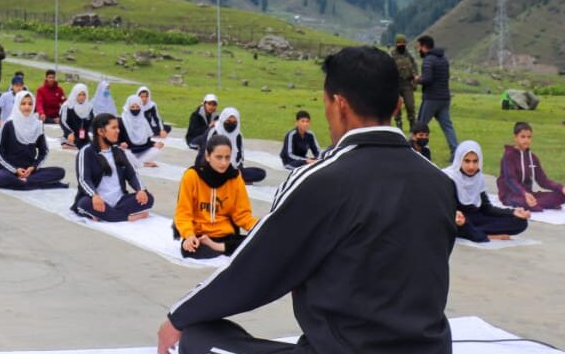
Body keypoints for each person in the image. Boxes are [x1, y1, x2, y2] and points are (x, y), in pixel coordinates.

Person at [156, 46, 457, 354]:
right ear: (396, 106)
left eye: (325, 102)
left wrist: (178, 316)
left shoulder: (323, 180)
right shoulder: (441, 183)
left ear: (339, 104)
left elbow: (255, 270)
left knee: (196, 337)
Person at [174, 135, 259, 259]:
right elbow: (183, 213)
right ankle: (222, 249)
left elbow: (242, 215)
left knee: (259, 244)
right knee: (191, 249)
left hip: (226, 237)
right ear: (208, 156)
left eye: (227, 158)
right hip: (200, 237)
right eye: (218, 157)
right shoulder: (192, 176)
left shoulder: (235, 178)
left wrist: (260, 227)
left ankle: (217, 247)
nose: (223, 163)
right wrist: (189, 235)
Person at [72, 113, 154, 222]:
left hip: (120, 200)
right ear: (101, 131)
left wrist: (140, 190)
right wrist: (94, 195)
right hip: (97, 200)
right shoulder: (86, 152)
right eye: (113, 128)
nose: (118, 131)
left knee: (148, 198)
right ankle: (127, 217)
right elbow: (84, 179)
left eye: (118, 127)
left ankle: (108, 214)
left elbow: (132, 174)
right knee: (83, 204)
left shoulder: (118, 151)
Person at [445, 140, 530, 243]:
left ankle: (475, 233)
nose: (471, 166)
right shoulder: (449, 178)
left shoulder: (478, 178)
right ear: (459, 160)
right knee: (452, 225)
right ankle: (485, 235)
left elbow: (487, 208)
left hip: (476, 220)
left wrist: (513, 212)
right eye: (467, 161)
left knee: (520, 222)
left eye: (475, 161)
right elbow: (445, 211)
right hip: (457, 220)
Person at [0, 91, 68, 190]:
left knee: (60, 172)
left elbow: (44, 151)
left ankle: (24, 181)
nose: (27, 107)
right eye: (23, 104)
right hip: (9, 170)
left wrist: (33, 167)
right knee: (1, 177)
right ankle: (29, 181)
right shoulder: (7, 125)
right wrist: (15, 170)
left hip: (29, 171)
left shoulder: (37, 125)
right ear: (17, 105)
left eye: (30, 104)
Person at [496, 122, 565, 211]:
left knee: (561, 196)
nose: (526, 140)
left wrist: (562, 188)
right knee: (526, 202)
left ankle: (535, 204)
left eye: (529, 137)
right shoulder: (509, 156)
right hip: (510, 195)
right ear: (515, 137)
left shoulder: (532, 158)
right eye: (523, 137)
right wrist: (524, 193)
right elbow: (510, 180)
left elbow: (543, 181)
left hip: (529, 195)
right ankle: (538, 204)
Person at [195, 107, 264, 184]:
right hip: (213, 167)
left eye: (234, 122)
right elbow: (204, 152)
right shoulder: (213, 132)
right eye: (228, 121)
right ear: (222, 120)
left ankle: (231, 177)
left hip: (231, 169)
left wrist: (237, 170)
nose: (231, 124)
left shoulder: (238, 135)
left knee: (260, 173)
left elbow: (240, 156)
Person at [415, 35, 458, 157]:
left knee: (420, 125)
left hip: (431, 98)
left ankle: (413, 149)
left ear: (424, 47)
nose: (418, 49)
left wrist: (418, 79)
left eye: (419, 46)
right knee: (447, 127)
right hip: (444, 97)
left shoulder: (428, 60)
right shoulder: (443, 58)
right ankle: (455, 152)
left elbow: (427, 79)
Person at [120, 95, 165, 167]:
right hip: (128, 151)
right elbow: (116, 141)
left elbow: (146, 142)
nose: (135, 109)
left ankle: (135, 163)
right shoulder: (122, 121)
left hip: (141, 151)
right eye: (132, 107)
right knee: (123, 152)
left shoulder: (143, 121)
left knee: (157, 150)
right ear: (128, 107)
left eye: (137, 107)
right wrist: (121, 144)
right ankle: (141, 164)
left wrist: (154, 143)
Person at [392, 34, 418, 132]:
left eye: (403, 43)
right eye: (399, 43)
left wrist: (415, 78)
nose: (401, 45)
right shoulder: (392, 55)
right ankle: (399, 127)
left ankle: (412, 126)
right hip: (396, 84)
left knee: (410, 106)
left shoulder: (409, 55)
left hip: (407, 84)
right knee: (397, 107)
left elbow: (414, 67)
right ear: (396, 43)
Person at [59, 83, 93, 150]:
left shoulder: (89, 107)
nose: (82, 97)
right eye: (79, 95)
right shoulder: (67, 106)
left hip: (84, 137)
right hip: (70, 136)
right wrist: (69, 133)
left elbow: (92, 122)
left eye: (84, 95)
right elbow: (62, 121)